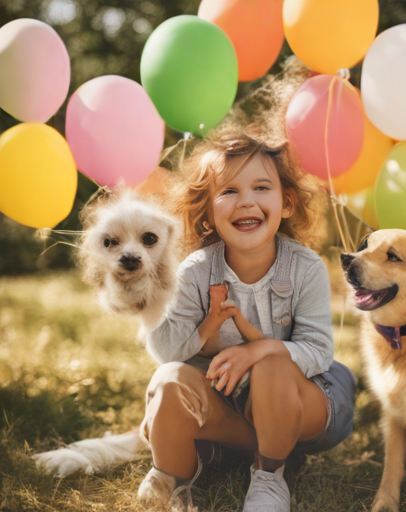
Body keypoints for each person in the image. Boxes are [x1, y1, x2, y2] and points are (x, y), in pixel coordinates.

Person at [137, 127, 356, 512]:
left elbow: (319, 350)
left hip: (304, 408)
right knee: (168, 380)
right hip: (233, 411)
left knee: (273, 362)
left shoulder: (305, 267)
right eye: (229, 191)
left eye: (260, 188)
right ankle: (175, 473)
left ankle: (270, 475)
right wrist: (185, 319)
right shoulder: (194, 273)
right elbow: (169, 353)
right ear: (207, 213)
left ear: (286, 203)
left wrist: (257, 351)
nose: (246, 202)